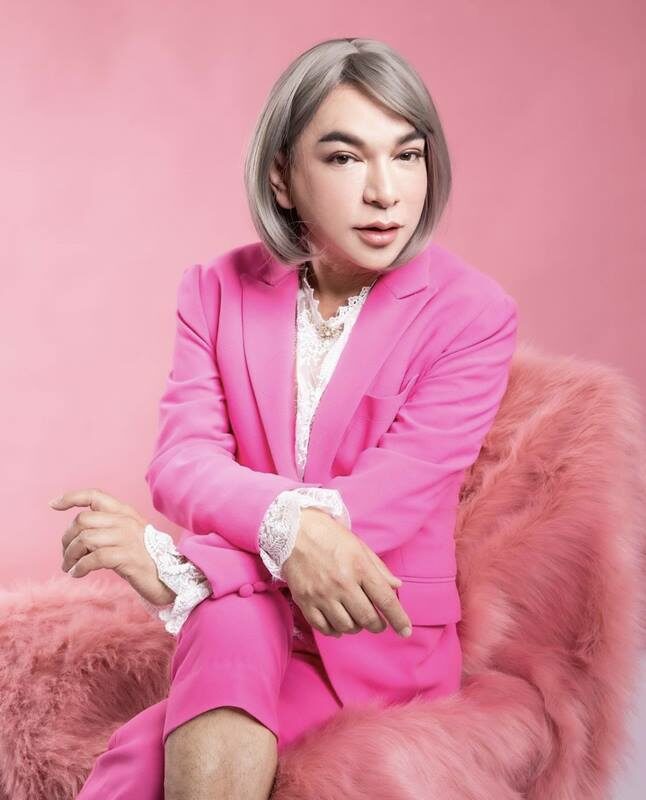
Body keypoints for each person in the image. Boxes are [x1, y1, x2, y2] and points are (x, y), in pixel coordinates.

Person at [53, 36, 518, 800]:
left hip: (371, 632)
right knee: (221, 636)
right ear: (282, 175)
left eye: (406, 155)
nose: (386, 193)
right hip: (242, 626)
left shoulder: (472, 312)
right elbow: (182, 462)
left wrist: (181, 568)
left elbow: (388, 502)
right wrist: (280, 535)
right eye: (344, 158)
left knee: (139, 762)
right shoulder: (216, 290)